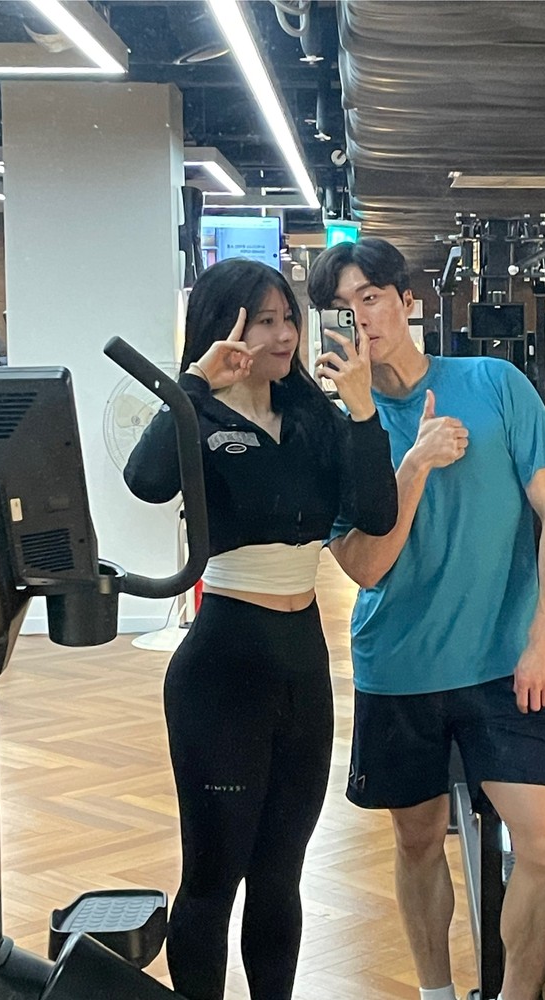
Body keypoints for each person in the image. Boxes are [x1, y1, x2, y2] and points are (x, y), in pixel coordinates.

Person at [307, 237, 545, 1000]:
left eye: (370, 298)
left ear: (407, 300)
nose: (360, 318)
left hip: (504, 662)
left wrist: (544, 638)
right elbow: (366, 566)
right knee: (417, 839)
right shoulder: (334, 435)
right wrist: (414, 462)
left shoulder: (493, 383)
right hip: (400, 665)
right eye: (341, 308)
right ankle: (436, 992)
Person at [123, 257, 398, 1000]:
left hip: (302, 668)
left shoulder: (314, 416)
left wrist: (364, 413)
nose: (284, 336)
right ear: (227, 329)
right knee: (213, 878)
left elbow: (376, 515)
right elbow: (145, 481)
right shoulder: (202, 417)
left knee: (280, 876)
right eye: (265, 321)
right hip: (222, 671)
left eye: (289, 319)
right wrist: (193, 384)